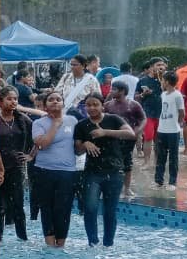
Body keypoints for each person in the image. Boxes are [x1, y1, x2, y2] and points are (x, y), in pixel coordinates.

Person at [73, 94, 135, 247]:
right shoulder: (82, 125)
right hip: (92, 173)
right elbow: (77, 150)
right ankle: (93, 243)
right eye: (88, 105)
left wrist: (105, 132)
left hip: (114, 171)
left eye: (95, 104)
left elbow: (130, 134)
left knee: (110, 210)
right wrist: (86, 144)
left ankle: (108, 244)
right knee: (90, 208)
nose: (92, 108)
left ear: (102, 105)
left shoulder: (113, 119)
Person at [31, 92, 79, 248]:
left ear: (63, 104)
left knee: (64, 208)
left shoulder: (72, 121)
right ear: (45, 105)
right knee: (47, 207)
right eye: (51, 100)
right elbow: (43, 144)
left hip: (67, 172)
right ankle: (50, 244)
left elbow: (78, 145)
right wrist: (55, 125)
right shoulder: (39, 123)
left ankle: (61, 243)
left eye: (58, 99)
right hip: (44, 170)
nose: (55, 102)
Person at [0, 86, 35, 241]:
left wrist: (30, 155)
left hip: (16, 167)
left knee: (18, 204)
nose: (13, 102)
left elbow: (37, 137)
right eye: (9, 99)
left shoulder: (22, 119)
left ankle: (22, 237)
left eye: (15, 99)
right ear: (0, 101)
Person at [104, 83, 145, 199]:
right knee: (109, 162)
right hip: (111, 138)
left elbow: (143, 119)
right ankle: (109, 186)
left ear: (122, 91)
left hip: (128, 139)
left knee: (127, 163)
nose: (111, 91)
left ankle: (127, 188)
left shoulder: (133, 105)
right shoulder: (108, 105)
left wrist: (137, 131)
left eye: (114, 89)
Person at [154, 71, 186, 190]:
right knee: (161, 156)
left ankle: (172, 182)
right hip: (161, 130)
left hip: (173, 131)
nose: (161, 82)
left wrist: (178, 124)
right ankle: (159, 181)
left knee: (173, 157)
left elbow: (181, 112)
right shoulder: (163, 95)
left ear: (167, 82)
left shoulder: (177, 95)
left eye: (163, 80)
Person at [135, 58, 167, 165]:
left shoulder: (166, 79)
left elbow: (171, 92)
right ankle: (147, 162)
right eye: (158, 65)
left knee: (159, 139)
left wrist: (163, 80)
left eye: (162, 65)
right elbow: (136, 97)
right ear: (152, 66)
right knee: (148, 137)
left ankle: (157, 162)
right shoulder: (142, 80)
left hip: (163, 114)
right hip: (148, 113)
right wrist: (144, 94)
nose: (161, 67)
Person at [55, 54, 102, 120]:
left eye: (75, 65)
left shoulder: (91, 80)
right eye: (71, 64)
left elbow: (97, 98)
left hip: (83, 115)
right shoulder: (66, 77)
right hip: (64, 113)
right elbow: (57, 93)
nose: (72, 67)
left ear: (83, 66)